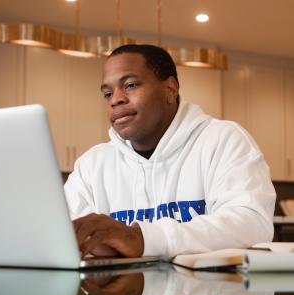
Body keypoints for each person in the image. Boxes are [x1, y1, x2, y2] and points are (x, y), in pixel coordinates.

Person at [64, 44, 276, 260]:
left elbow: (251, 224)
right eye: (107, 93)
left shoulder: (223, 140)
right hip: (121, 292)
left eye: (130, 85)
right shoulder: (91, 165)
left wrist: (143, 239)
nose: (115, 100)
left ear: (170, 90)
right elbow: (64, 238)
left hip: (209, 291)